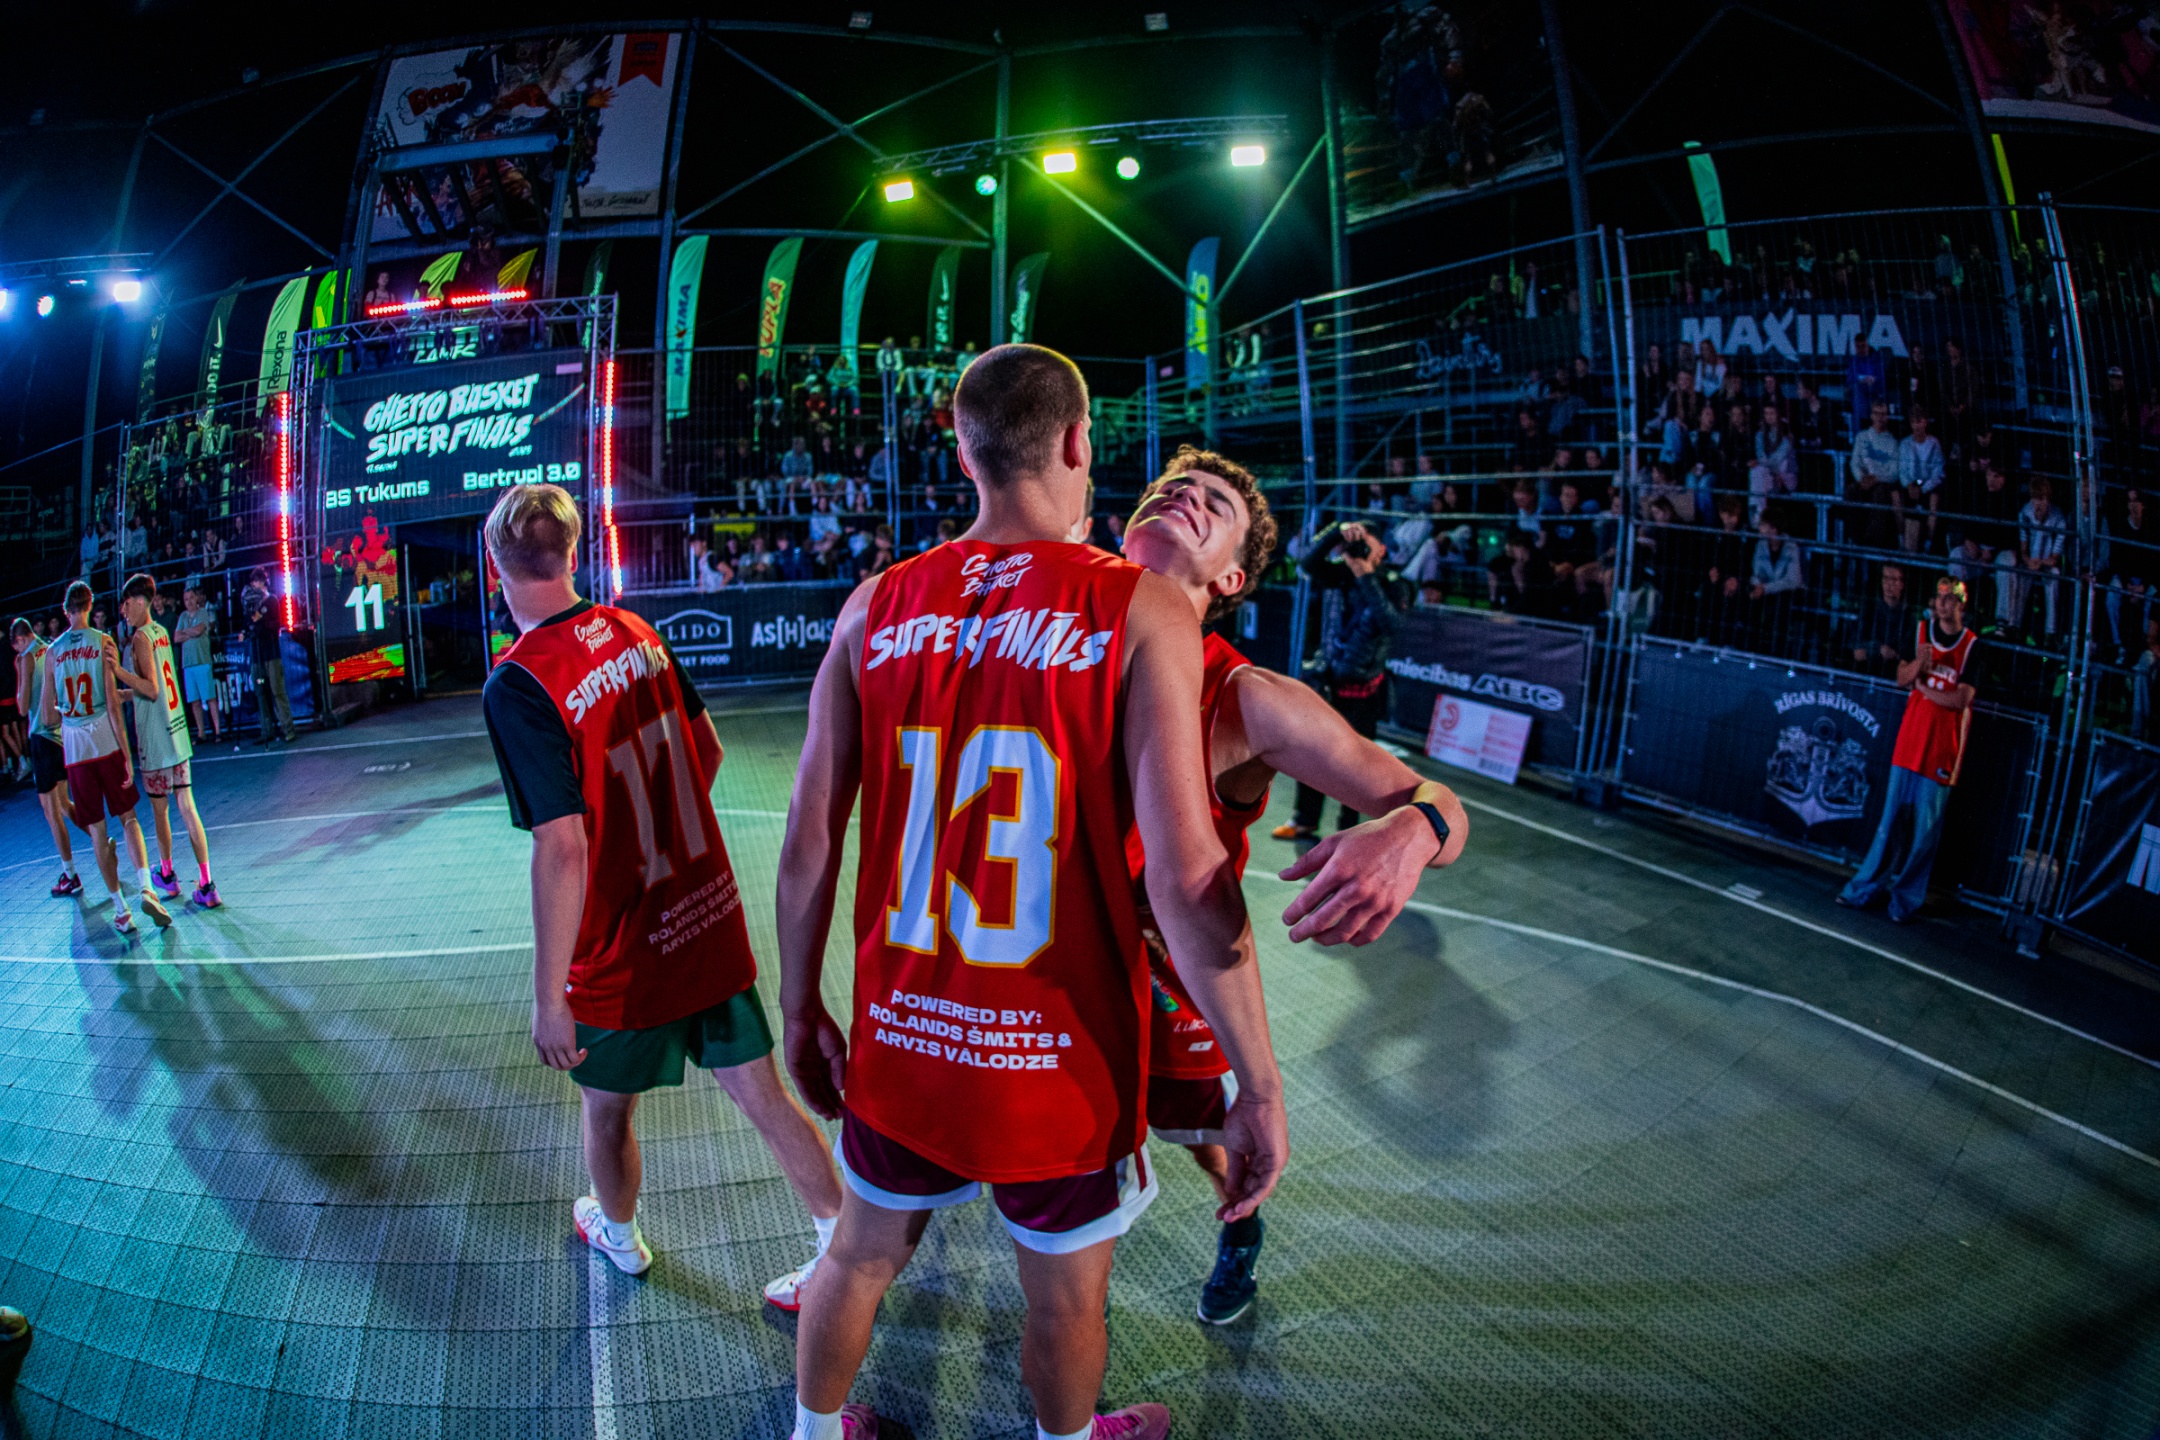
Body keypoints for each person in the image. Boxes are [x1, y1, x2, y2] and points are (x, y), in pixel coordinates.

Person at [774, 344, 1287, 1440]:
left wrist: (800, 1004)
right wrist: (1258, 1080)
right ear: (1079, 442)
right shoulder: (1141, 609)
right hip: (1057, 1058)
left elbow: (811, 837)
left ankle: (813, 1436)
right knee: (1064, 1295)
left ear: (964, 452)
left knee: (859, 1253)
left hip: (906, 1031)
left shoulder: (875, 604)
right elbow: (1188, 878)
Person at [1120, 446, 1468, 1322]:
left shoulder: (1251, 698)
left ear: (1232, 578)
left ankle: (1239, 1221)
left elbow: (1441, 805)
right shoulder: (1042, 631)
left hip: (1165, 964)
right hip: (1039, 961)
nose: (1183, 496)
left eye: (1214, 503)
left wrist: (1413, 832)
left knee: (1199, 1127)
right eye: (1170, 487)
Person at [477, 484, 842, 1303]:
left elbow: (561, 846)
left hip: (622, 945)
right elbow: (706, 751)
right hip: (702, 912)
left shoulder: (520, 682)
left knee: (607, 1111)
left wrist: (549, 997)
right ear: (574, 552)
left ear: (497, 566)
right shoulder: (636, 631)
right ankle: (837, 1244)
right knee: (764, 1094)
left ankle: (619, 1232)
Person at [1838, 579, 1981, 923]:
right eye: (1939, 598)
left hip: (1943, 752)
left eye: (1949, 599)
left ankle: (1904, 901)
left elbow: (1961, 699)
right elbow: (1902, 678)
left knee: (1923, 835)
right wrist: (1919, 666)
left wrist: (1925, 689)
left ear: (1961, 605)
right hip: (1910, 744)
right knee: (1889, 825)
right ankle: (1865, 889)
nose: (1942, 604)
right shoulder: (1920, 632)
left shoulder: (1972, 645)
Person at [40, 581, 169, 934]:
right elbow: (112, 705)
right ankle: (147, 887)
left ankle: (121, 910)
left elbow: (48, 717)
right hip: (105, 740)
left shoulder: (53, 652)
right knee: (128, 817)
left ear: (65, 610)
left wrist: (65, 711)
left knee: (97, 829)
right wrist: (126, 754)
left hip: (76, 749)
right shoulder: (103, 641)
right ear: (90, 605)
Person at [1272, 519, 1405, 838]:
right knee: (1311, 754)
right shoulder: (1338, 575)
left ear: (1381, 549)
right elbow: (1307, 563)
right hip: (1328, 682)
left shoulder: (1395, 583)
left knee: (1357, 765)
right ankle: (1304, 819)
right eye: (1354, 543)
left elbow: (1390, 623)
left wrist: (1365, 576)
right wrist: (1336, 533)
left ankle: (1348, 830)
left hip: (1364, 691)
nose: (1358, 549)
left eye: (1365, 543)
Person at [113, 575, 219, 908]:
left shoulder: (140, 638)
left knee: (161, 812)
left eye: (126, 605)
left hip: (156, 740)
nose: (123, 612)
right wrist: (124, 695)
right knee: (188, 806)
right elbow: (155, 686)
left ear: (139, 601)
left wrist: (118, 671)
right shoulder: (160, 631)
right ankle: (207, 883)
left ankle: (169, 875)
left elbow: (152, 688)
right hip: (176, 731)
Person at [12, 617, 81, 896]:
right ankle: (101, 839)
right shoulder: (50, 648)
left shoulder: (27, 658)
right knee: (64, 803)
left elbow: (21, 707)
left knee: (51, 811)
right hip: (60, 735)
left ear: (19, 641)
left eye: (16, 647)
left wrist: (19, 672)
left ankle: (70, 874)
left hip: (41, 735)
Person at [241, 569, 295, 745]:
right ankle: (266, 730)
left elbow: (275, 625)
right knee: (260, 692)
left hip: (271, 653)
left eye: (256, 582)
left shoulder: (271, 600)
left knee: (277, 690)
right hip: (257, 655)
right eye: (252, 582)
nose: (254, 585)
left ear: (263, 582)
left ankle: (288, 728)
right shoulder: (251, 604)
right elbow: (248, 624)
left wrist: (261, 620)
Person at [173, 588, 222, 742]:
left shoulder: (202, 613)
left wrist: (185, 631)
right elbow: (176, 638)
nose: (189, 601)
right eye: (186, 599)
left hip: (202, 661)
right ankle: (201, 733)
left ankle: (217, 731)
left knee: (210, 697)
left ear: (196, 599)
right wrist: (190, 632)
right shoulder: (183, 616)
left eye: (191, 597)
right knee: (194, 701)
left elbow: (199, 631)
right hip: (188, 664)